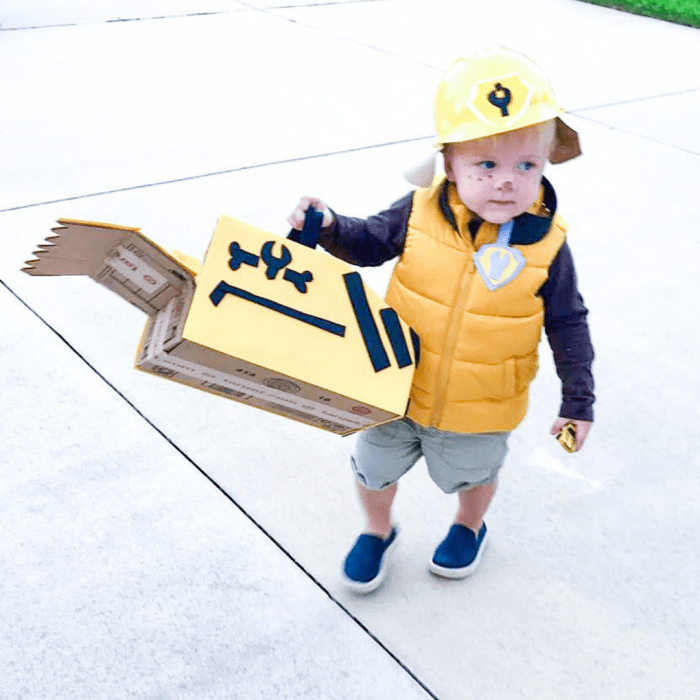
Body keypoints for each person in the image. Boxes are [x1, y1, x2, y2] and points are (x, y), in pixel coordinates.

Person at [288, 48, 595, 593]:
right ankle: (378, 530)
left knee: (474, 476)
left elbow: (569, 323)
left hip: (481, 405)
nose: (507, 182)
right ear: (449, 165)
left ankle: (469, 526)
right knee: (371, 468)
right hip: (393, 387)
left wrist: (578, 401)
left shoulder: (549, 245)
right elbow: (364, 243)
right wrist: (330, 224)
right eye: (487, 164)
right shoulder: (418, 211)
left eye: (527, 165)